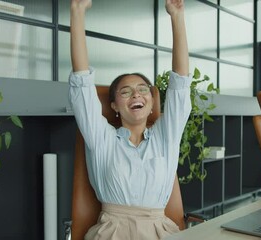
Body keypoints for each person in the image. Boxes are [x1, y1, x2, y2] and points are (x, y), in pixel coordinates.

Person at [68, 0, 192, 239]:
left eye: (143, 89)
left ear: (153, 102)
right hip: (112, 231)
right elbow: (82, 82)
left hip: (159, 231)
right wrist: (77, 12)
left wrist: (177, 16)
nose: (136, 94)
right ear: (114, 105)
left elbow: (181, 85)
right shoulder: (101, 138)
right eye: (125, 91)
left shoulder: (166, 136)